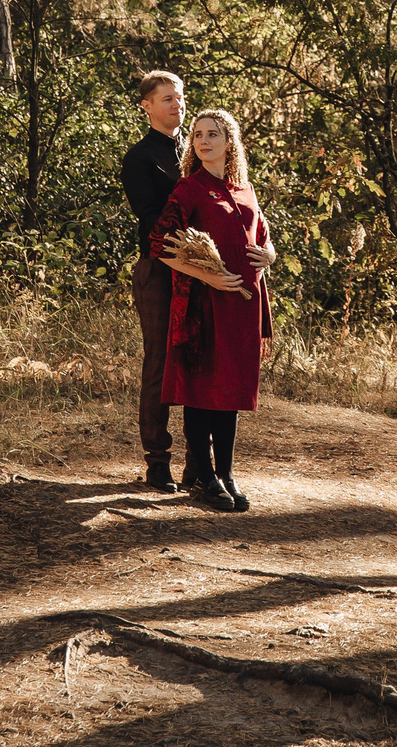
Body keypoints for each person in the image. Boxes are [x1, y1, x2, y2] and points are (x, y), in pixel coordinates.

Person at [151, 108, 275, 511]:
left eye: (213, 134)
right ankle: (205, 477)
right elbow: (160, 246)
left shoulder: (245, 189)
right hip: (204, 305)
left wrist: (270, 255)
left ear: (229, 142)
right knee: (203, 390)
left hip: (245, 305)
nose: (203, 141)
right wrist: (209, 277)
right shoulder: (189, 188)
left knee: (231, 390)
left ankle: (227, 473)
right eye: (198, 135)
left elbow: (263, 236)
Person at [119, 70, 187, 490]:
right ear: (147, 106)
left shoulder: (199, 147)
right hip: (159, 269)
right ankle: (157, 461)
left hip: (204, 271)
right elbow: (148, 218)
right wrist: (190, 248)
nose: (177, 104)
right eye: (167, 99)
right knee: (159, 364)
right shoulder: (140, 157)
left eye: (180, 97)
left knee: (200, 363)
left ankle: (200, 463)